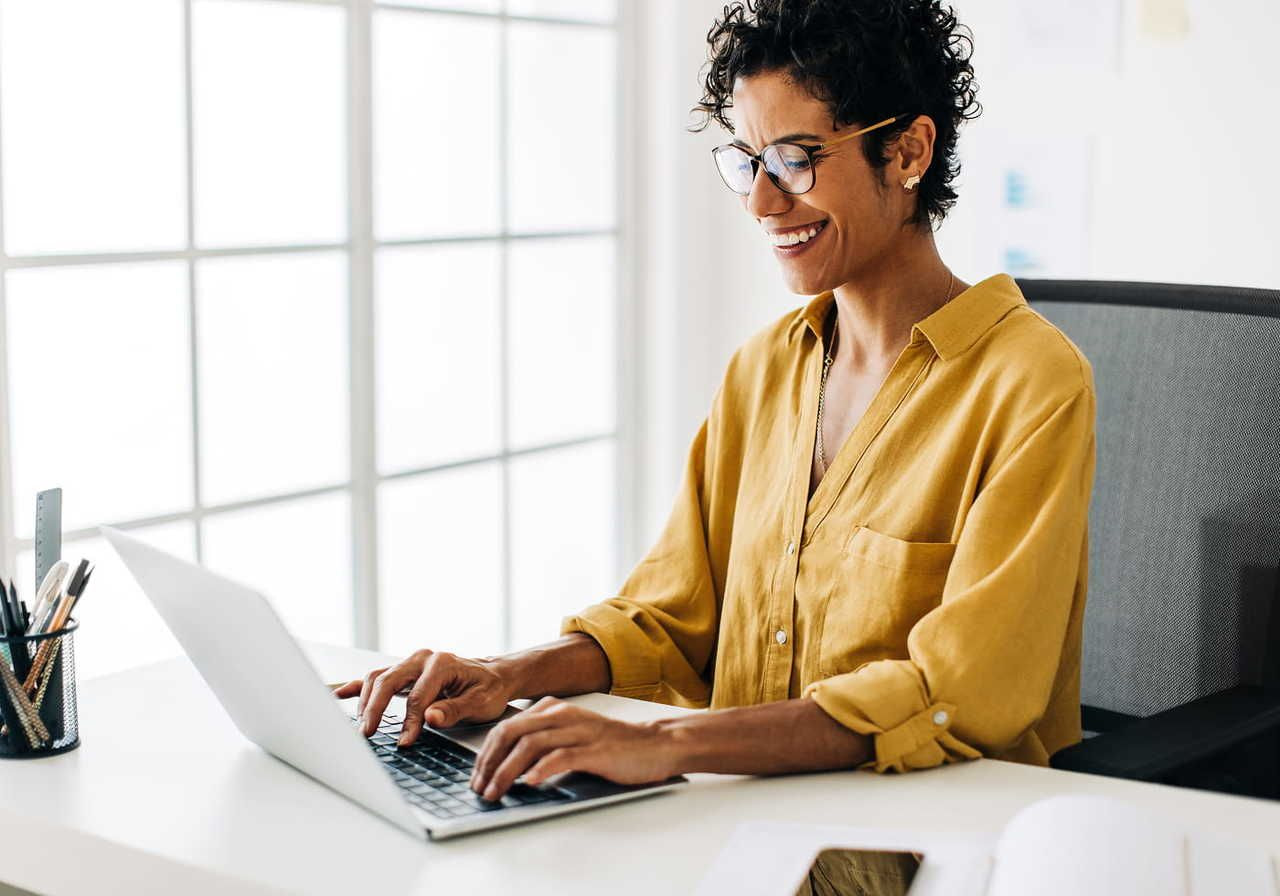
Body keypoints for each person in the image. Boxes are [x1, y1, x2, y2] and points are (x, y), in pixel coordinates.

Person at [335, 0, 1096, 805]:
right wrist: (505, 674)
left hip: (929, 837)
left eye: (797, 159)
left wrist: (663, 745)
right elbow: (666, 620)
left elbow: (963, 692)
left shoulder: (1032, 383)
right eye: (748, 161)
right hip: (737, 816)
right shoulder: (763, 370)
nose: (762, 203)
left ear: (907, 150)